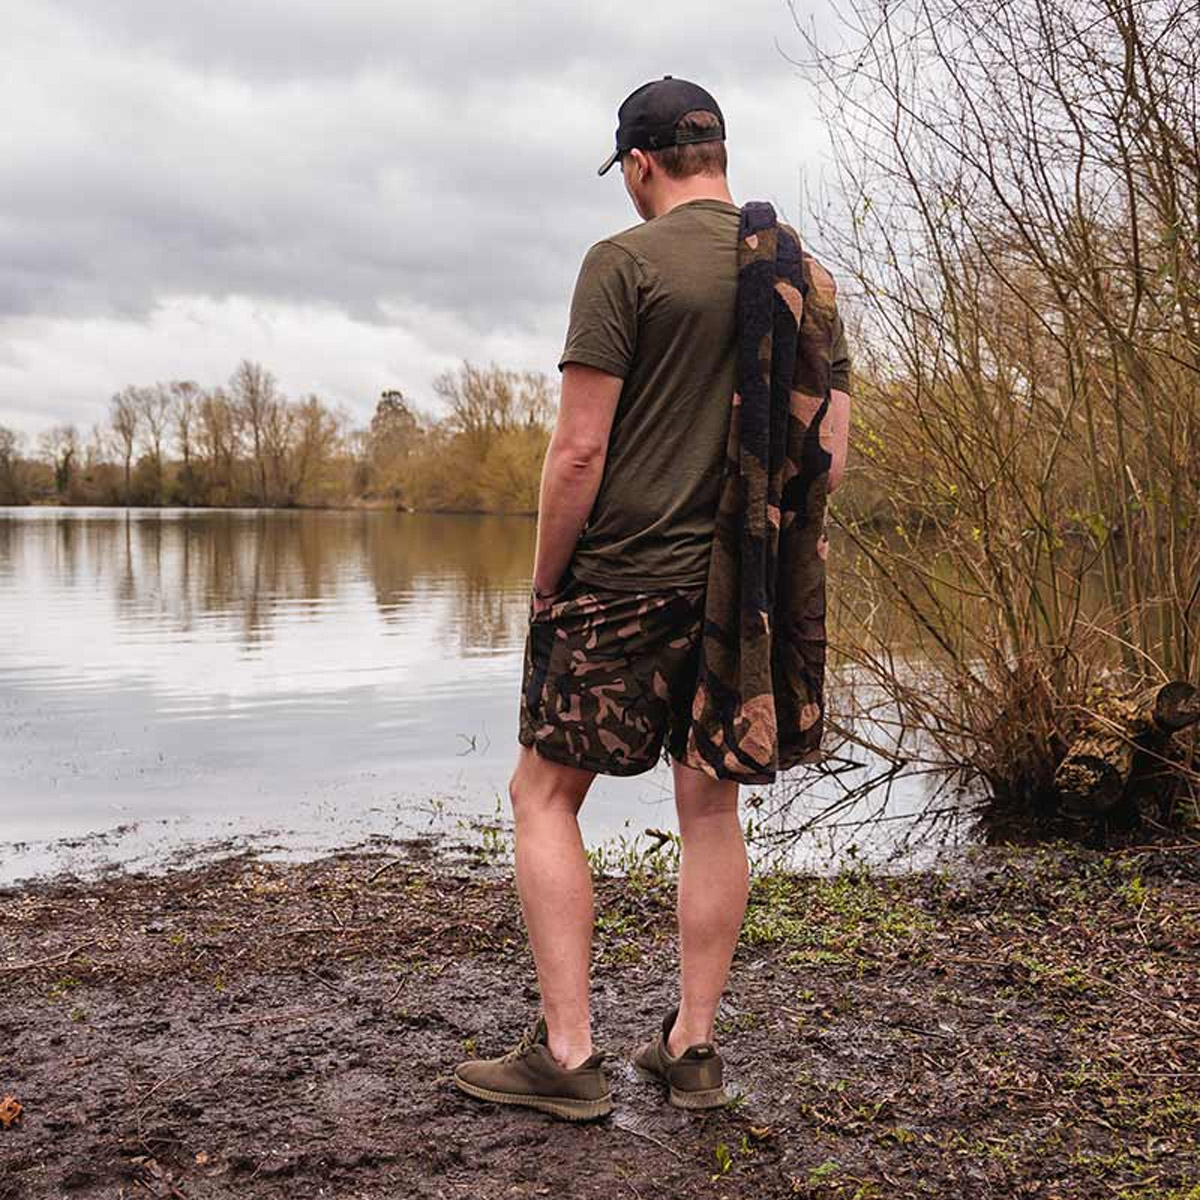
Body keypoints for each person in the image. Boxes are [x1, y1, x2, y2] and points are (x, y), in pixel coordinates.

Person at [453, 76, 851, 1121]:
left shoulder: (622, 263)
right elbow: (832, 457)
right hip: (742, 593)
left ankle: (570, 1056)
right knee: (709, 801)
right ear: (716, 153)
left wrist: (548, 584)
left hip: (626, 580)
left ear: (639, 165)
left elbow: (579, 451)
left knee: (543, 797)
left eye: (626, 173)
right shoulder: (802, 274)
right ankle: (694, 1048)